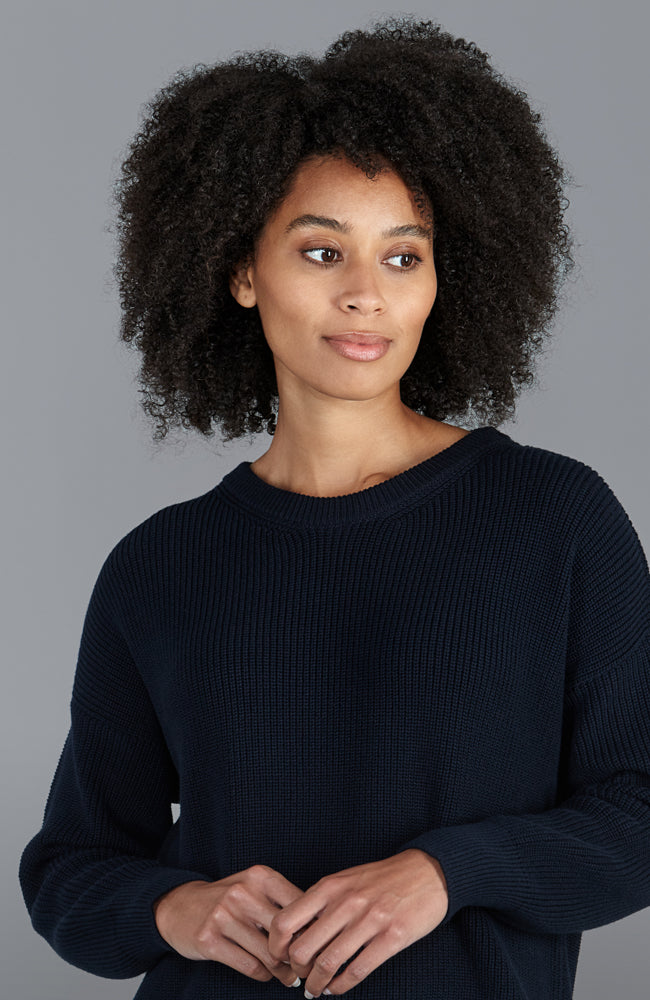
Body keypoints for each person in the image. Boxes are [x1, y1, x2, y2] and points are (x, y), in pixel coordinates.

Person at [19, 14, 650, 1000]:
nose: (366, 295)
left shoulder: (552, 520)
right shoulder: (160, 566)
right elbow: (70, 868)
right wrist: (173, 908)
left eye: (403, 257)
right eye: (322, 253)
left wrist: (446, 873)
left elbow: (637, 815)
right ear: (242, 271)